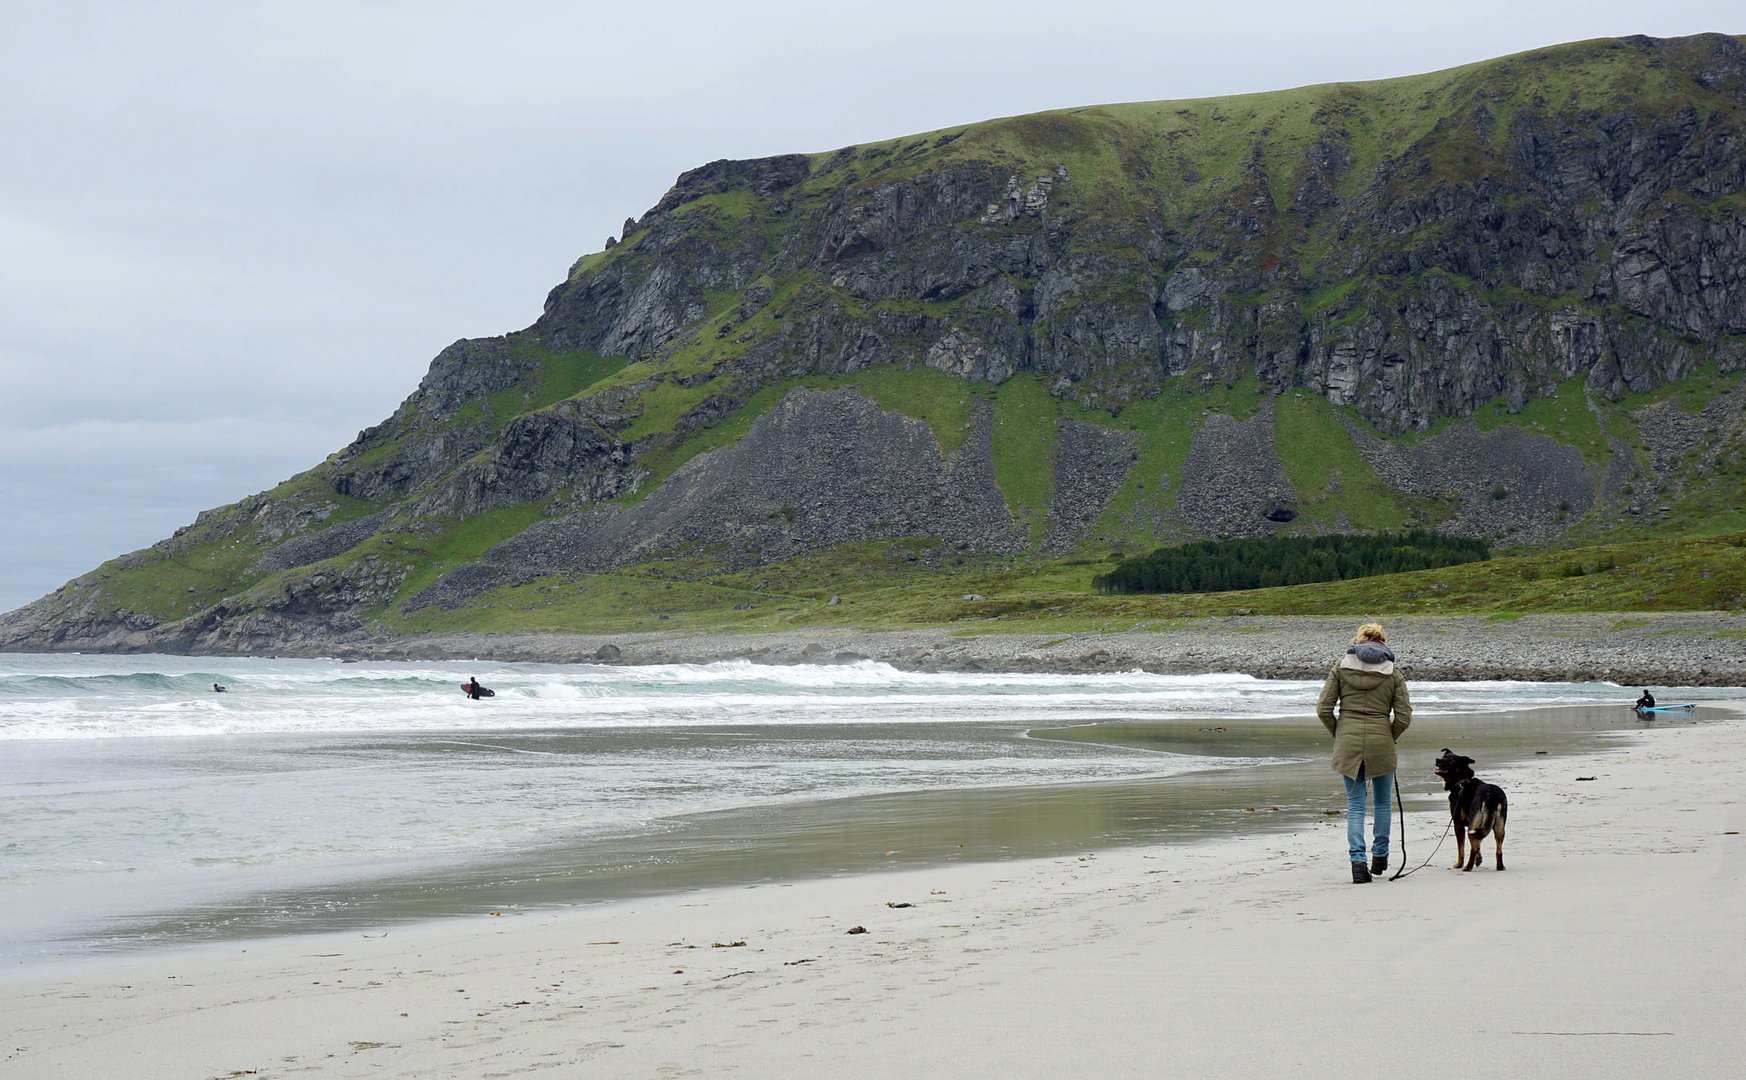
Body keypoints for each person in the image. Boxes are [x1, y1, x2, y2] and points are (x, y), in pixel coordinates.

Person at [1317, 622, 1412, 883]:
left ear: (1358, 642)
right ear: (1383, 643)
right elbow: (1403, 717)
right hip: (1381, 739)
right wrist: (1388, 736)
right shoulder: (1393, 673)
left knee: (1356, 804)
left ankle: (1357, 862)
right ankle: (1380, 856)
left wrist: (1340, 733)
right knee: (1382, 803)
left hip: (1348, 739)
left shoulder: (1340, 668)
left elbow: (1323, 709)